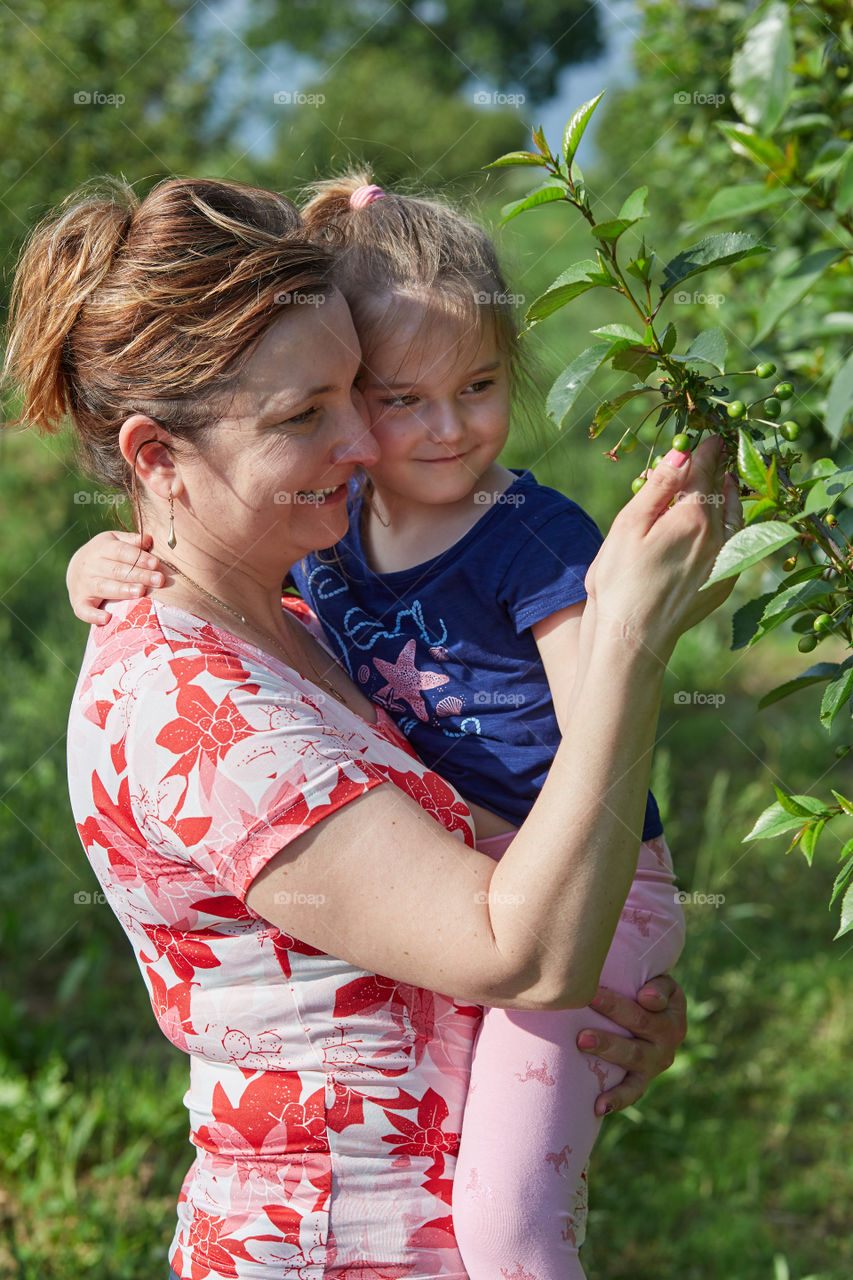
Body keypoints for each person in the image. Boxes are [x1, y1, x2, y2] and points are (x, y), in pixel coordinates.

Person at [10, 174, 738, 1280]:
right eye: (305, 414)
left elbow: (504, 923)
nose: (363, 440)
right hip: (331, 1247)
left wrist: (608, 1013)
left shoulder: (304, 618)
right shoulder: (189, 705)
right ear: (157, 458)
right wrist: (632, 638)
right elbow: (516, 949)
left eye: (357, 391)